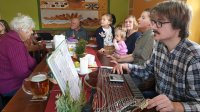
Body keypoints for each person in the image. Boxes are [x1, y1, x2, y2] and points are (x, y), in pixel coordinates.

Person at [113, 1, 200, 111]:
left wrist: (175, 106)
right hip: (158, 100)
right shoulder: (159, 45)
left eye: (159, 22)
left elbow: (198, 103)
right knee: (119, 99)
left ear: (179, 25)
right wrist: (127, 66)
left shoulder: (194, 57)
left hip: (176, 108)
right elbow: (147, 70)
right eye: (153, 21)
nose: (153, 26)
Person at [0, 14, 37, 107]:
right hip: (12, 87)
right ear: (21, 29)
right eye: (30, 29)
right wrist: (37, 76)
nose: (32, 32)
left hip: (11, 83)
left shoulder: (11, 38)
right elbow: (22, 72)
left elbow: (28, 61)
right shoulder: (14, 44)